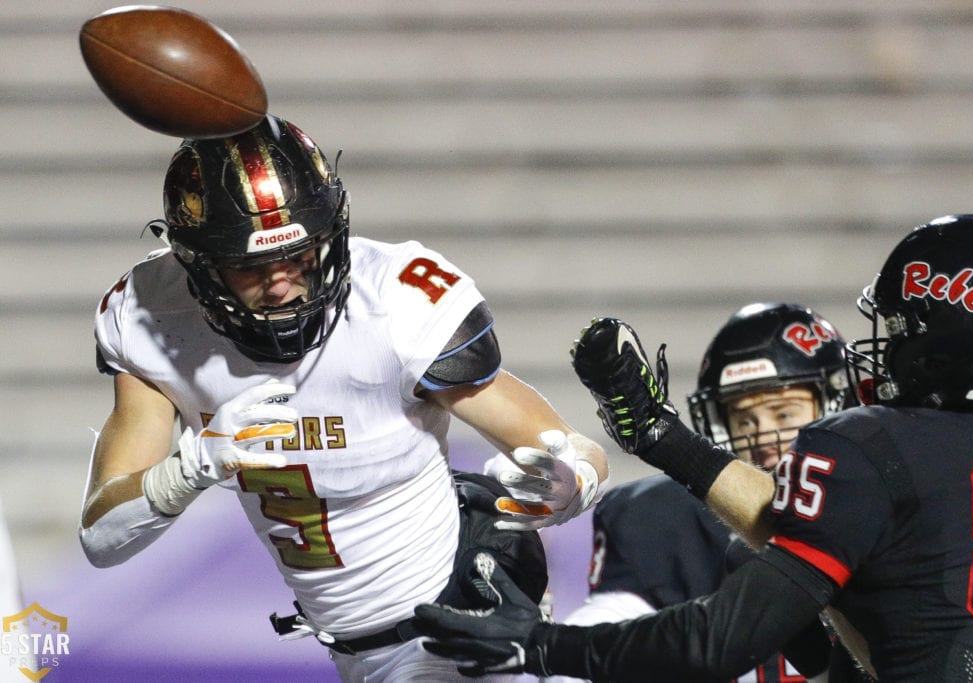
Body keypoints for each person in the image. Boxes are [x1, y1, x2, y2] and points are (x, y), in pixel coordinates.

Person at [78, 114, 609, 682]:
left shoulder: (395, 303)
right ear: (197, 262)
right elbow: (101, 539)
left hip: (460, 621)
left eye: (298, 255)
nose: (280, 282)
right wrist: (189, 469)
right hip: (355, 654)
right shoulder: (152, 316)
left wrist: (568, 482)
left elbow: (576, 450)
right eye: (249, 266)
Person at [413, 213, 973, 681]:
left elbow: (720, 642)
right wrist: (664, 439)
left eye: (895, 329)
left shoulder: (872, 445)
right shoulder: (664, 517)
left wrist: (543, 645)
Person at [545, 302, 853, 683]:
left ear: (837, 403)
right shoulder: (666, 514)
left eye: (784, 414)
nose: (763, 437)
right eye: (744, 419)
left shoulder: (879, 501)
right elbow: (613, 619)